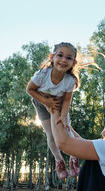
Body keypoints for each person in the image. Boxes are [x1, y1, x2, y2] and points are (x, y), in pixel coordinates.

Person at [26, 42, 83, 179]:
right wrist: (46, 102)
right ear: (52, 57)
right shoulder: (42, 75)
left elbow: (68, 100)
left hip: (59, 103)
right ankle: (59, 160)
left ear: (73, 62)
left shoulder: (69, 81)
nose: (64, 60)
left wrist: (63, 116)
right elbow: (29, 89)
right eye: (60, 55)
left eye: (69, 58)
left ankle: (73, 157)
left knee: (66, 129)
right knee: (51, 134)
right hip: (41, 102)